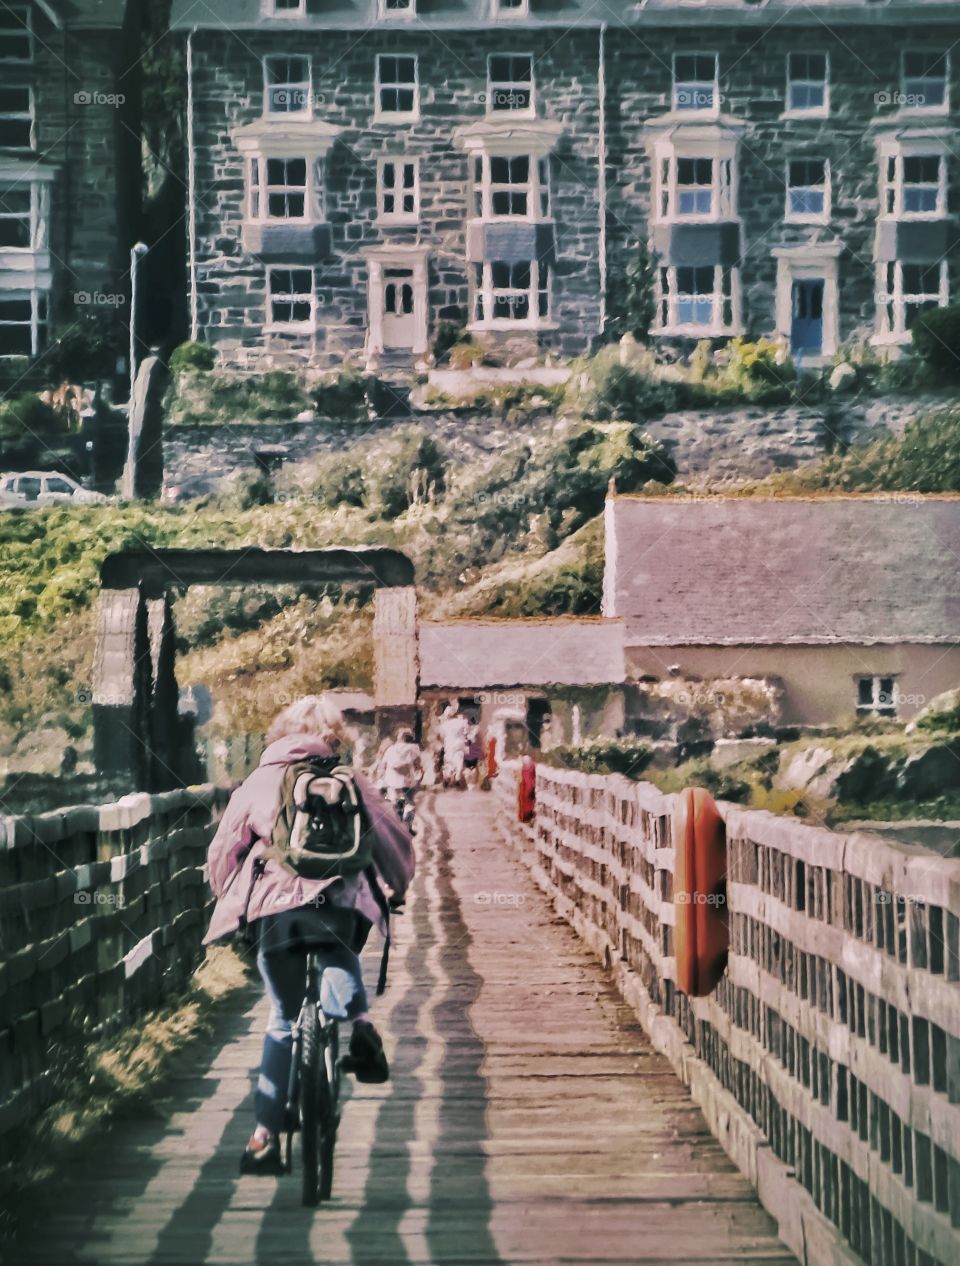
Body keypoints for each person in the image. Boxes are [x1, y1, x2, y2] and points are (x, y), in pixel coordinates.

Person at [203, 696, 415, 1177]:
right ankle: (359, 1024)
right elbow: (394, 840)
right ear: (333, 735)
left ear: (280, 733)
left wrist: (228, 897)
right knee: (339, 952)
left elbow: (224, 850)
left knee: (281, 1016)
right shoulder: (351, 780)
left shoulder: (259, 781)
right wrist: (397, 886)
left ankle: (263, 1139)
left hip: (274, 910)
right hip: (341, 904)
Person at [375, 726, 424, 824]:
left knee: (395, 801)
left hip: (392, 781)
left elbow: (383, 765)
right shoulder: (414, 748)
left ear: (398, 737)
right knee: (410, 801)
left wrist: (380, 777)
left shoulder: (390, 749)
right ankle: (408, 814)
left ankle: (398, 818)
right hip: (407, 781)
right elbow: (418, 764)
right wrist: (419, 776)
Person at [438, 704, 469, 788]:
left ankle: (447, 777)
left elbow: (442, 736)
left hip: (449, 744)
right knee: (459, 760)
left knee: (449, 761)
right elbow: (466, 733)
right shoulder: (462, 722)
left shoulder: (444, 725)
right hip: (459, 743)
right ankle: (457, 777)